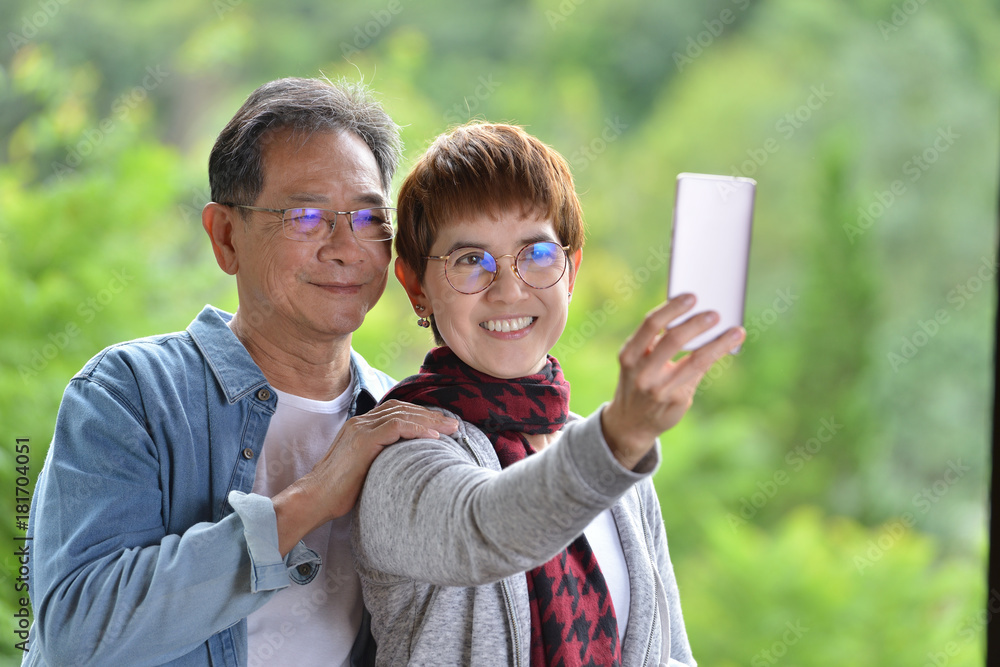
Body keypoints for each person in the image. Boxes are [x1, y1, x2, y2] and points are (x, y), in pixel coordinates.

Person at [22, 76, 458, 667]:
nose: (344, 246)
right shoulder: (129, 395)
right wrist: (309, 500)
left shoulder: (402, 418)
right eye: (306, 216)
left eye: (367, 217)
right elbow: (81, 632)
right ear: (225, 236)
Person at [352, 122, 746, 666]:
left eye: (536, 253)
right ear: (417, 286)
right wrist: (619, 437)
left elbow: (670, 656)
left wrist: (616, 443)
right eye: (470, 260)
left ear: (571, 269)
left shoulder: (620, 476)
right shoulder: (401, 452)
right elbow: (487, 527)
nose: (509, 289)